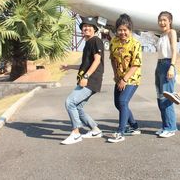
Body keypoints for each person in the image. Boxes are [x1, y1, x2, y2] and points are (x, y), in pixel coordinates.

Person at [61, 17, 104, 145]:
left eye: (89, 26)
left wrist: (86, 77)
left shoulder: (96, 40)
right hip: (86, 80)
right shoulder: (88, 43)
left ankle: (76, 133)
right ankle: (95, 130)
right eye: (84, 26)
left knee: (70, 102)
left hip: (90, 80)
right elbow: (84, 65)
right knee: (78, 107)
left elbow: (97, 60)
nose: (86, 28)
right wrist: (69, 66)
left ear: (95, 29)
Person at [108, 14, 142, 143]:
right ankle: (134, 126)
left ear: (130, 30)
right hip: (119, 78)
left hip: (132, 78)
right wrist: (116, 75)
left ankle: (120, 131)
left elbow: (135, 64)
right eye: (120, 30)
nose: (122, 32)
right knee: (118, 104)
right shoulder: (114, 42)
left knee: (122, 102)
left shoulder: (135, 44)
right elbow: (112, 59)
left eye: (125, 30)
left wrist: (124, 79)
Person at [155, 11, 178, 138]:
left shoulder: (171, 32)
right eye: (160, 20)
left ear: (170, 21)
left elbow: (174, 50)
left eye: (164, 20)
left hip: (168, 64)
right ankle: (165, 125)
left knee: (167, 97)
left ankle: (171, 127)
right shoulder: (162, 35)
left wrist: (172, 67)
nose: (162, 22)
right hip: (159, 66)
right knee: (160, 97)